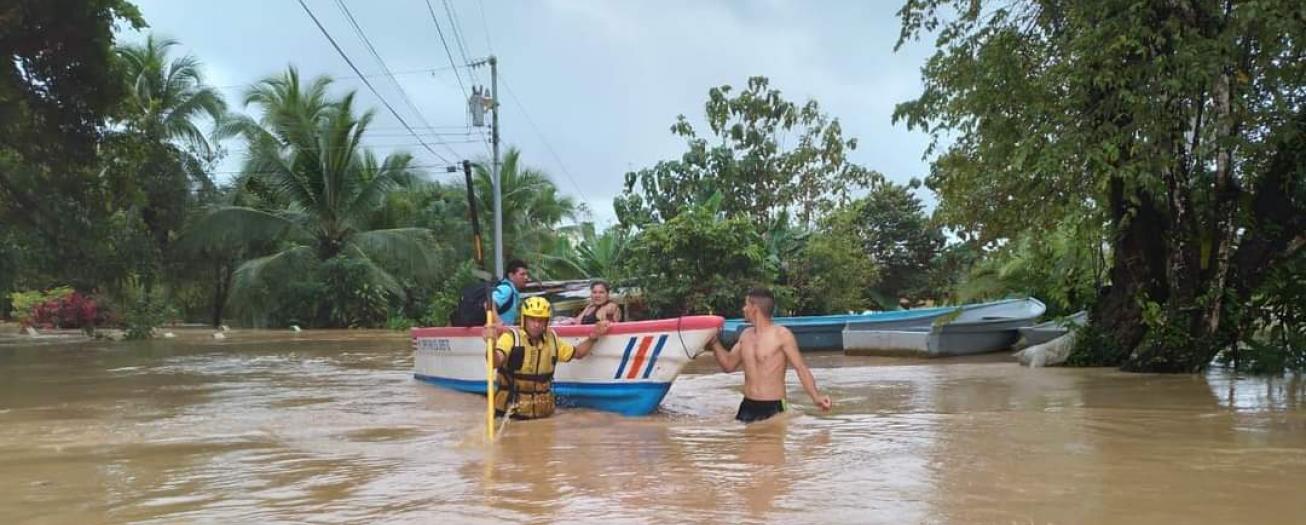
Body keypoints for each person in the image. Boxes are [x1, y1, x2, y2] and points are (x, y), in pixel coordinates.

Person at [704, 287, 833, 422]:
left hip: (773, 406)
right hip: (747, 405)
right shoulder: (745, 335)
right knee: (743, 442)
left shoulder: (782, 335)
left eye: (746, 304)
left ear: (754, 308)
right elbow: (728, 365)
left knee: (770, 442)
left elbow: (801, 368)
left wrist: (816, 397)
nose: (743, 309)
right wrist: (714, 342)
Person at [487, 296, 610, 419]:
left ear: (546, 322)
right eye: (532, 320)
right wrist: (491, 345)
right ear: (524, 319)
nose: (536, 325)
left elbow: (578, 353)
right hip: (510, 415)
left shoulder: (552, 340)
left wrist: (594, 336)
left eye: (541, 320)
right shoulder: (510, 338)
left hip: (543, 414)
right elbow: (495, 362)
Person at [492, 259, 531, 325]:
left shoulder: (514, 292)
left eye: (527, 274)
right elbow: (488, 304)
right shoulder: (506, 289)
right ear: (511, 276)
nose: (526, 277)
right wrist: (500, 324)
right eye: (522, 274)